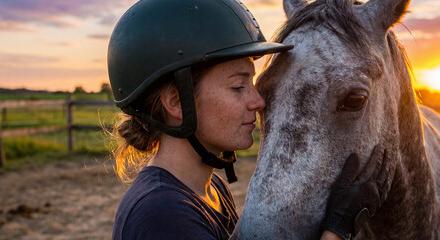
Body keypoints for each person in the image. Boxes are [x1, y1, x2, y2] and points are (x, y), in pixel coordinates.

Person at [108, 0, 392, 239]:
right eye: (237, 86)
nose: (258, 102)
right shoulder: (161, 215)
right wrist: (337, 230)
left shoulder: (211, 189)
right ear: (176, 102)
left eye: (253, 83)